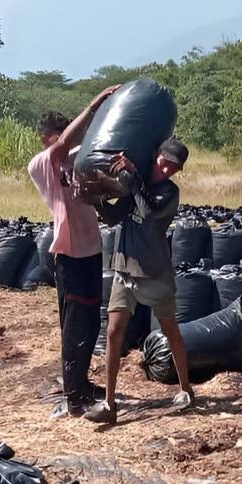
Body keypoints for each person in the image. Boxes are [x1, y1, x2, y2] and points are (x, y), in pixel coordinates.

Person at [84, 137, 193, 426]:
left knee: (170, 331)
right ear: (156, 154)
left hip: (154, 272)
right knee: (113, 333)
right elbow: (114, 217)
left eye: (174, 167)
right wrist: (94, 198)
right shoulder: (136, 183)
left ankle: (186, 390)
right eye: (165, 162)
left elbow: (148, 211)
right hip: (124, 268)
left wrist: (132, 179)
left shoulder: (169, 193)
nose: (168, 170)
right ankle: (109, 404)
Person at [28, 85, 119, 417]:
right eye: (57, 136)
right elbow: (66, 144)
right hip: (68, 254)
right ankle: (73, 396)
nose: (62, 142)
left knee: (91, 321)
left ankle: (82, 383)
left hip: (91, 248)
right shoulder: (41, 164)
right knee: (74, 325)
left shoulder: (80, 160)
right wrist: (95, 104)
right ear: (47, 139)